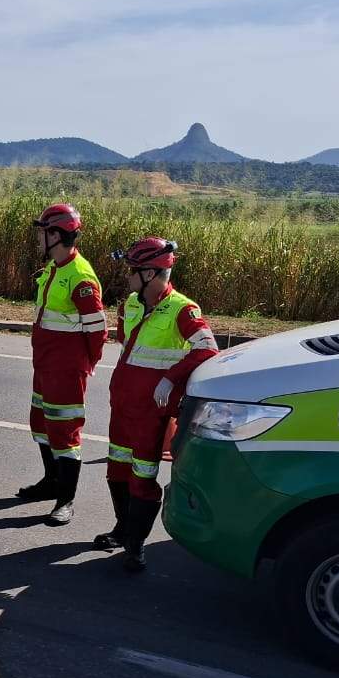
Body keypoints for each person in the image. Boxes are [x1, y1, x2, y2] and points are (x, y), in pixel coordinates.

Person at [99, 237, 218, 572]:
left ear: (151, 273)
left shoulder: (183, 309)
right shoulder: (130, 305)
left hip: (151, 414)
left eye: (133, 271)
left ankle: (135, 547)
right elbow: (127, 347)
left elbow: (207, 348)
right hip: (122, 405)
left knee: (142, 478)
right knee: (116, 472)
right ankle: (122, 531)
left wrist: (170, 378)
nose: (128, 277)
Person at [17, 203, 107, 528]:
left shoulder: (80, 276)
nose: (38, 238)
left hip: (66, 370)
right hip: (44, 365)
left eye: (42, 232)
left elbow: (97, 330)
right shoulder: (55, 269)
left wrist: (84, 366)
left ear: (56, 235)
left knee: (65, 433)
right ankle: (50, 481)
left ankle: (65, 500)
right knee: (40, 424)